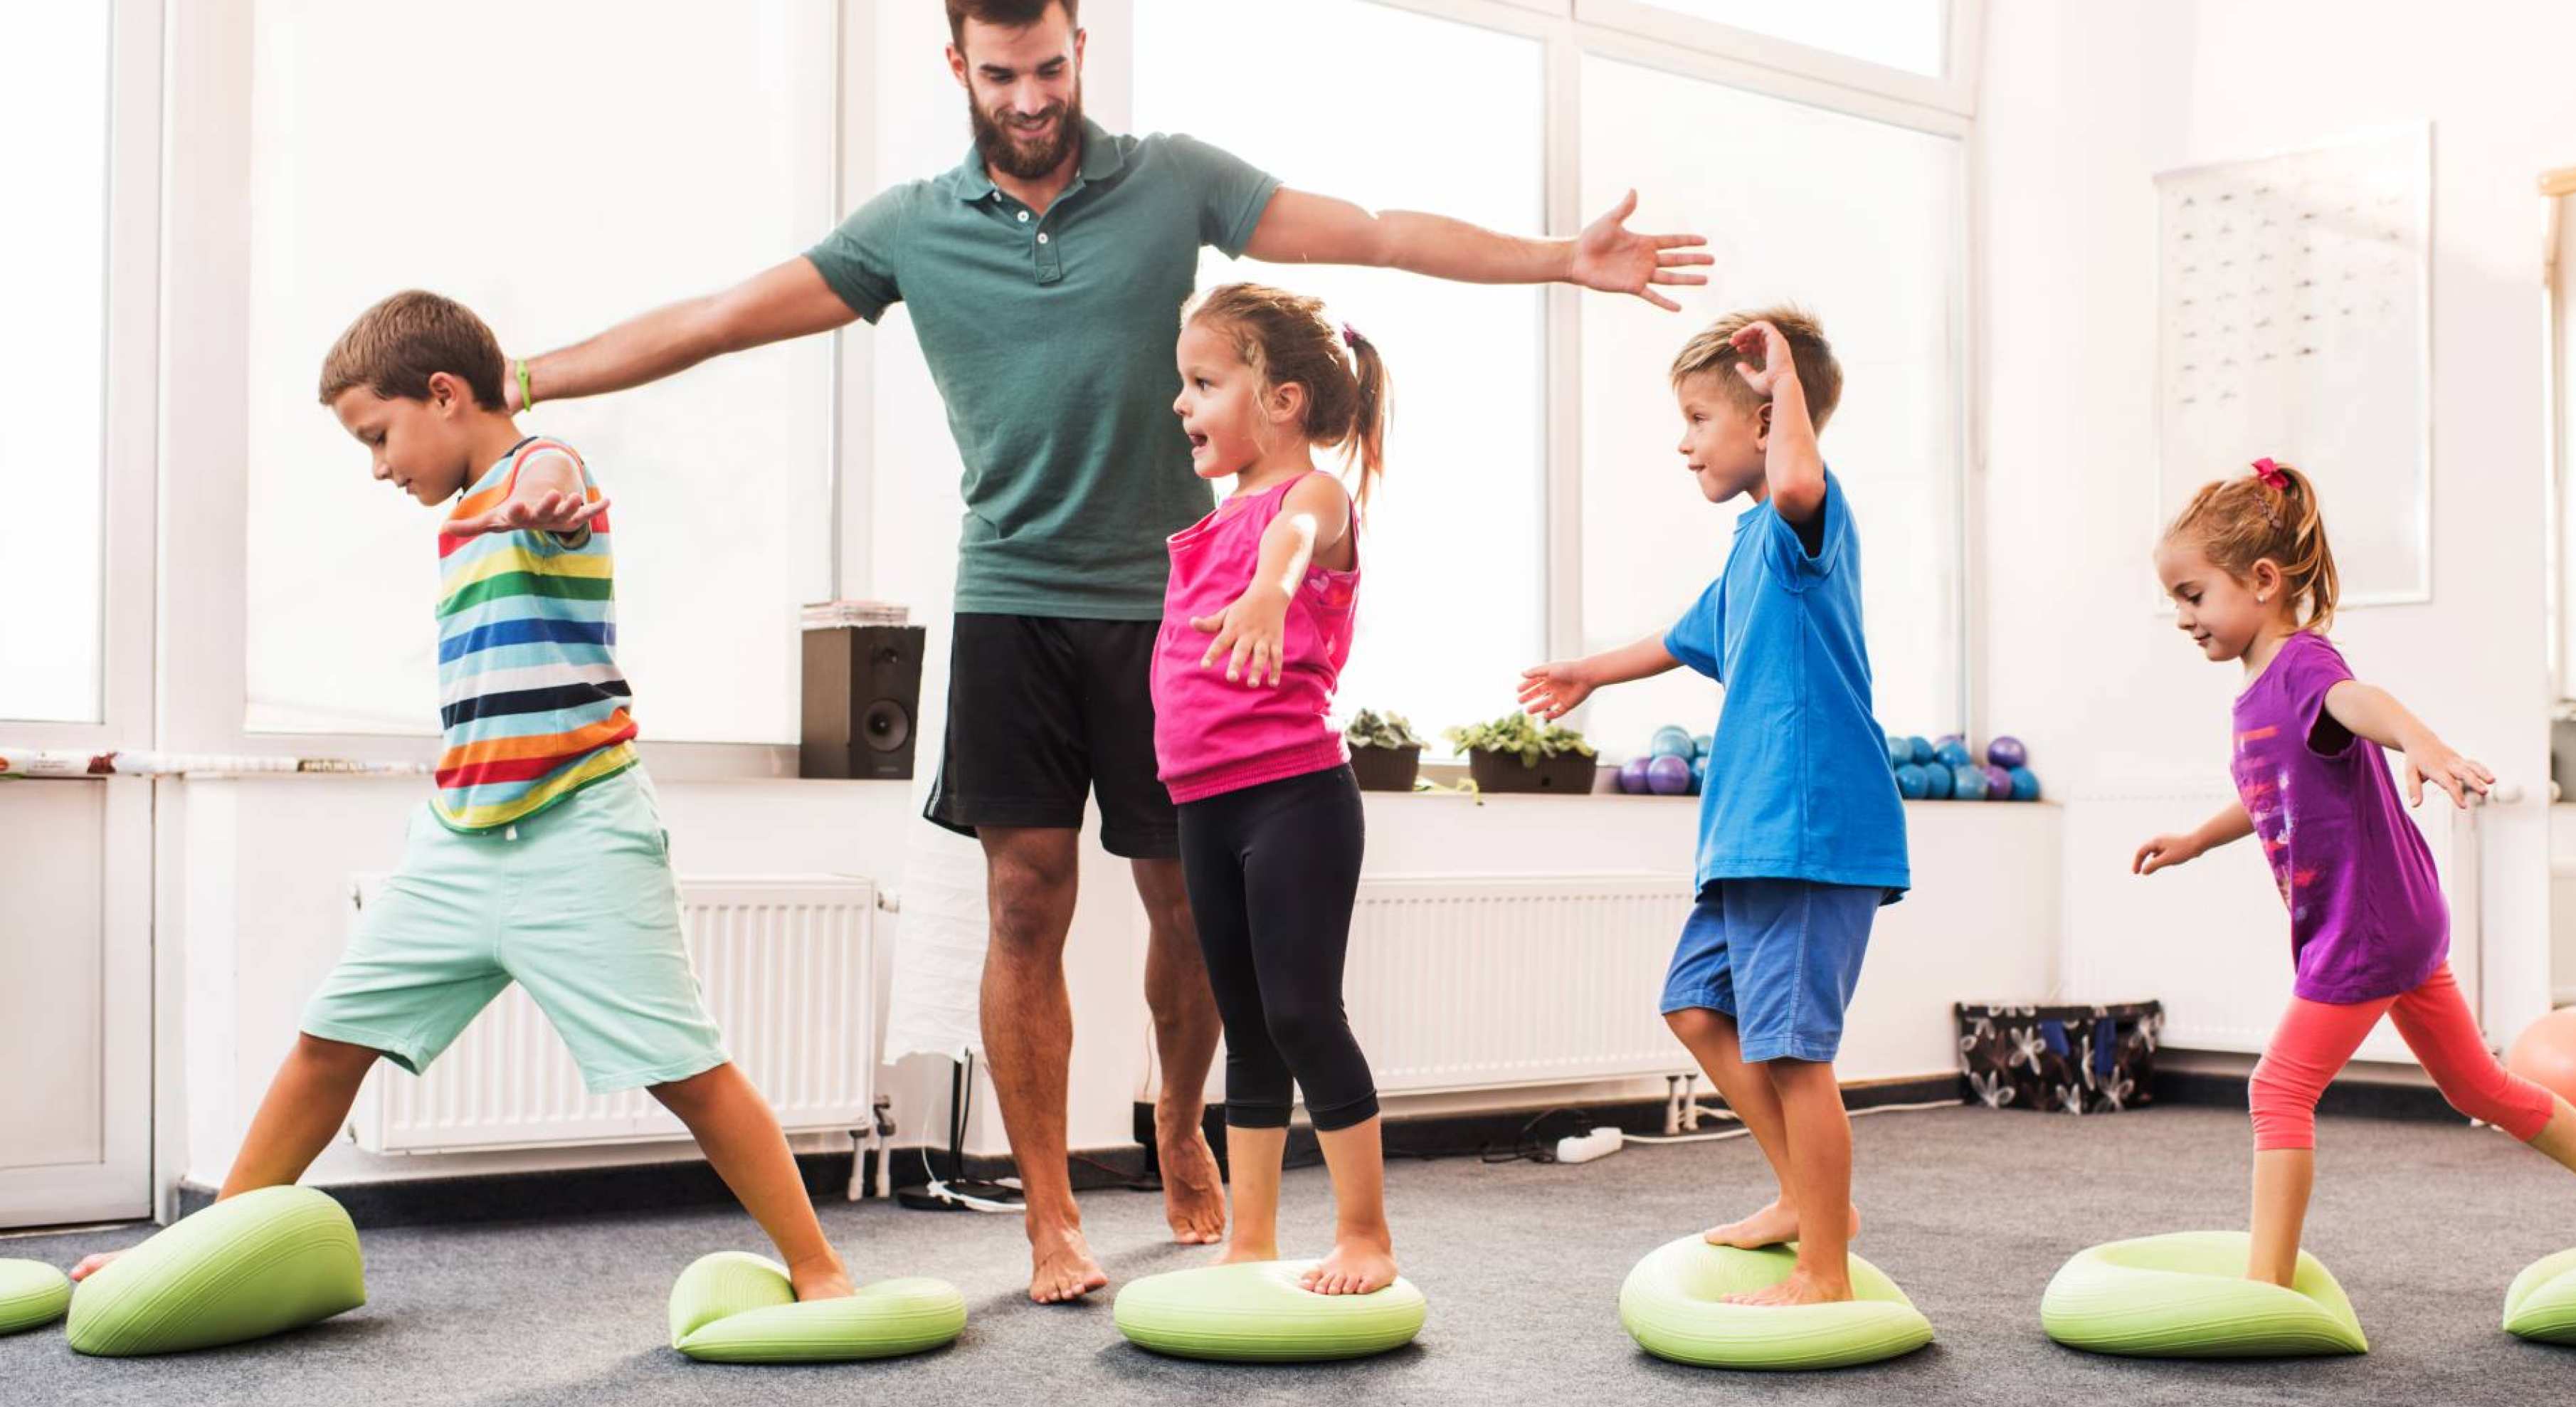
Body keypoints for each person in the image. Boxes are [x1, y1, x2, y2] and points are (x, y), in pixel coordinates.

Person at [500, 0, 1711, 1303]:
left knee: (1186, 906)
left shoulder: (1171, 181)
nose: (1031, 98)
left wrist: (1557, 262)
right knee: (1024, 902)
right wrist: (526, 378)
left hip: (1172, 608)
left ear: (1082, 53)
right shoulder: (908, 228)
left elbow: (1369, 233)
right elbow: (725, 316)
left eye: (1053, 69)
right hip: (1013, 602)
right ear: (958, 66)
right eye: (1003, 74)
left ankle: (1183, 1125)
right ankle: (1050, 1216)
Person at [75, 291, 852, 1301]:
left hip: (582, 829)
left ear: (445, 394)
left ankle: (820, 1265)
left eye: (380, 436)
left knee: (686, 1069)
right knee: (327, 1042)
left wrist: (547, 489)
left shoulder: (542, 478)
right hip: (457, 841)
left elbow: (553, 465)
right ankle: (199, 1250)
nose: (380, 466)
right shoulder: (461, 523)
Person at [2131, 458, 2576, 1286]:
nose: (2181, 616)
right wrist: (2196, 838)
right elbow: (2268, 795)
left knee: (2276, 1090)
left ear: (2260, 580)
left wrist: (2422, 744)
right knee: (2477, 1087)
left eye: (2192, 595)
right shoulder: (2256, 690)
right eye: (2173, 598)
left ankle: (2266, 1285)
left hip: (2367, 923)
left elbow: (2364, 702)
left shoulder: (2300, 664)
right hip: (2389, 916)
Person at [1516, 309, 1907, 1307]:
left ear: (1771, 421)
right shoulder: (1748, 549)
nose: (1683, 439)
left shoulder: (1800, 520)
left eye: (1699, 417)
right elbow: (1683, 639)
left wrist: (1784, 388)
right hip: (1748, 836)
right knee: (1696, 1006)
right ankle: (1802, 1196)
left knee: (1793, 1051)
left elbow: (1799, 479)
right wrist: (1588, 672)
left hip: (1808, 834)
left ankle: (1824, 1262)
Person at [1156, 283, 1396, 1294]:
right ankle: (1248, 1236)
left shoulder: (1311, 500)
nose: (1183, 404)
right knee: (1247, 1026)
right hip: (1204, 803)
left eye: (1204, 383)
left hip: (1295, 796)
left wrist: (1269, 585)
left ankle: (1367, 1234)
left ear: (1284, 400)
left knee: (1304, 1013)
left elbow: (1298, 538)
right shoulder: (1223, 516)